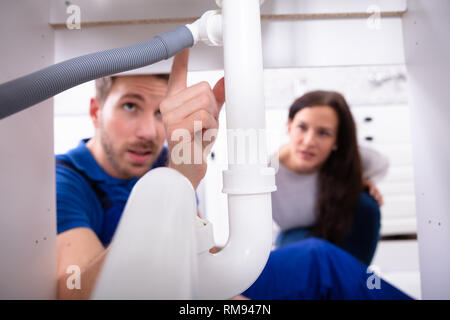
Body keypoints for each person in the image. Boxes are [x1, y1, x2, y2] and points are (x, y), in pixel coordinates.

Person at [55, 50, 411, 300]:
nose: (150, 131)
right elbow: (76, 294)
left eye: (162, 112)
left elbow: (204, 257)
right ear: (95, 110)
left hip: (198, 286)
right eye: (130, 106)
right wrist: (177, 178)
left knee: (320, 261)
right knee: (319, 263)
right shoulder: (66, 180)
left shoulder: (162, 161)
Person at [271, 90, 388, 265]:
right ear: (289, 126)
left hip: (335, 227)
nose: (309, 141)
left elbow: (381, 164)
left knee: (366, 204)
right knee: (308, 257)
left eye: (323, 133)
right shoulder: (266, 171)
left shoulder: (355, 158)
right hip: (295, 236)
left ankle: (353, 280)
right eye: (302, 127)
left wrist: (360, 180)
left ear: (337, 141)